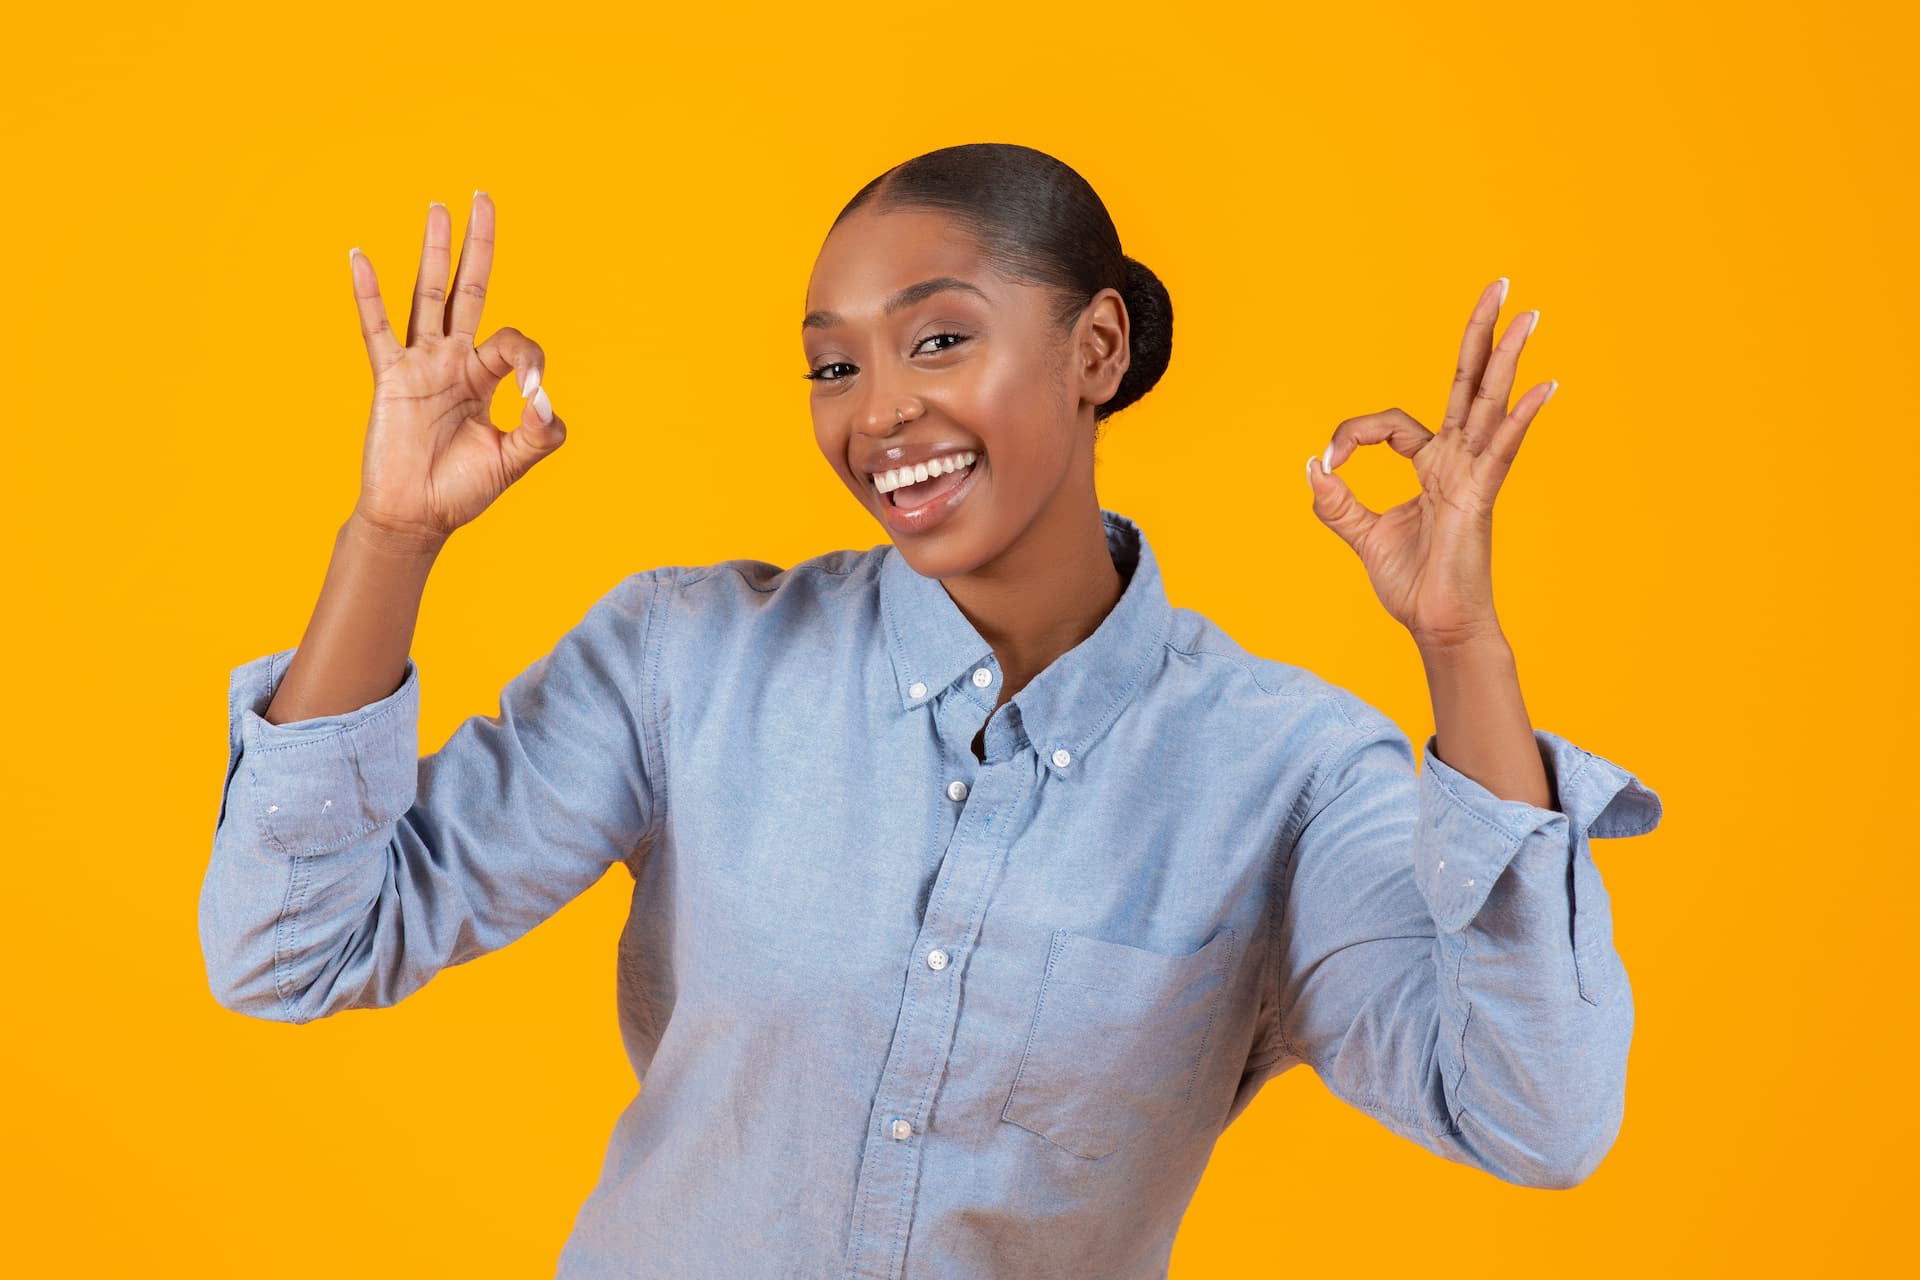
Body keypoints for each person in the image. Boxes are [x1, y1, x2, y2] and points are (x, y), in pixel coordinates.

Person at [198, 142, 1663, 1279]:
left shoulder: (1286, 773)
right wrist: (390, 539)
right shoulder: (688, 658)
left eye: (939, 339)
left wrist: (1464, 647)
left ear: (1096, 352)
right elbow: (294, 946)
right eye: (834, 364)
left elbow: (1534, 1113)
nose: (877, 410)